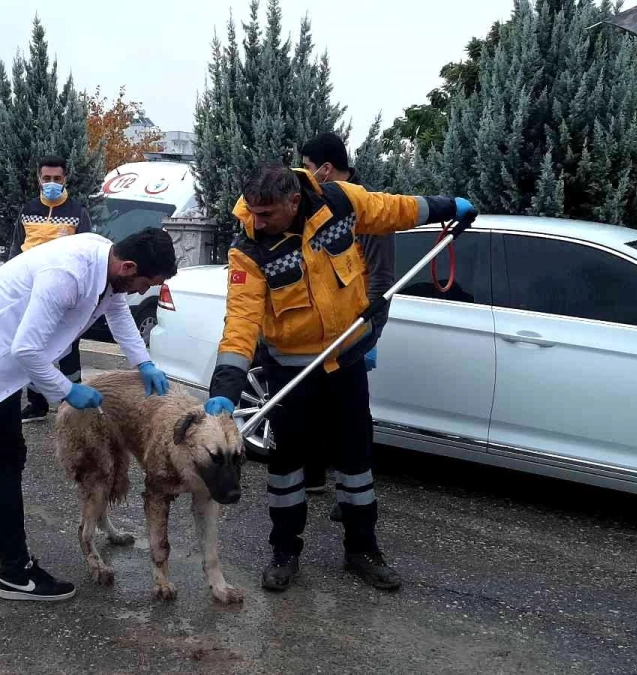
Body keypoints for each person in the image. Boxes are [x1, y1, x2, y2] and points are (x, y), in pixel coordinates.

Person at [203, 164, 475, 593]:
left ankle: (361, 549)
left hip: (346, 360)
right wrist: (225, 389)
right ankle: (285, 551)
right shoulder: (249, 250)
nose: (258, 221)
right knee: (287, 464)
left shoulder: (340, 202)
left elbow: (394, 210)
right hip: (291, 368)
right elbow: (240, 321)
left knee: (355, 459)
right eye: (253, 212)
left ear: (294, 202)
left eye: (267, 213)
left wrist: (446, 208)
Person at [0, 227, 177, 601]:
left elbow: (118, 315)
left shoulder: (107, 265)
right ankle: (15, 573)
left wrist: (144, 363)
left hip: (0, 359)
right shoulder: (68, 275)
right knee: (7, 457)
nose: (141, 293)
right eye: (144, 284)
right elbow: (26, 349)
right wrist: (66, 390)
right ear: (129, 266)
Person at [301, 132, 394, 522]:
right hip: (322, 329)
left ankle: (352, 496)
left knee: (351, 416)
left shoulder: (364, 209)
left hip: (355, 329)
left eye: (306, 168)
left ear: (325, 169)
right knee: (315, 406)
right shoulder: (316, 205)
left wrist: (367, 332)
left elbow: (381, 278)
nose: (303, 175)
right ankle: (314, 474)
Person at [8, 155, 95, 423]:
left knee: (68, 348)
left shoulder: (78, 212)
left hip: (65, 294)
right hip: (30, 291)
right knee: (35, 347)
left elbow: (87, 254)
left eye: (57, 179)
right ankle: (37, 403)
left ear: (65, 179)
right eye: (47, 179)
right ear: (38, 179)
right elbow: (16, 249)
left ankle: (75, 405)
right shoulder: (27, 209)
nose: (52, 183)